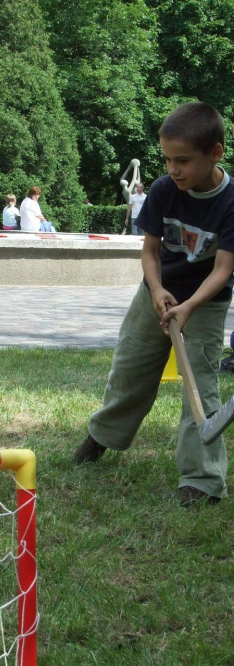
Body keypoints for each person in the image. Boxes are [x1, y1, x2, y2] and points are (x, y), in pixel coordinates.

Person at [73, 101, 234, 507]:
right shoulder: (164, 190)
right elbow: (149, 251)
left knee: (201, 388)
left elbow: (223, 269)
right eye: (167, 159)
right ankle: (102, 436)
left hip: (206, 302)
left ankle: (202, 479)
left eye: (183, 160)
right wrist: (158, 290)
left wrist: (189, 306)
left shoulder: (231, 201)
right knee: (131, 366)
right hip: (155, 294)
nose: (173, 169)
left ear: (215, 153)